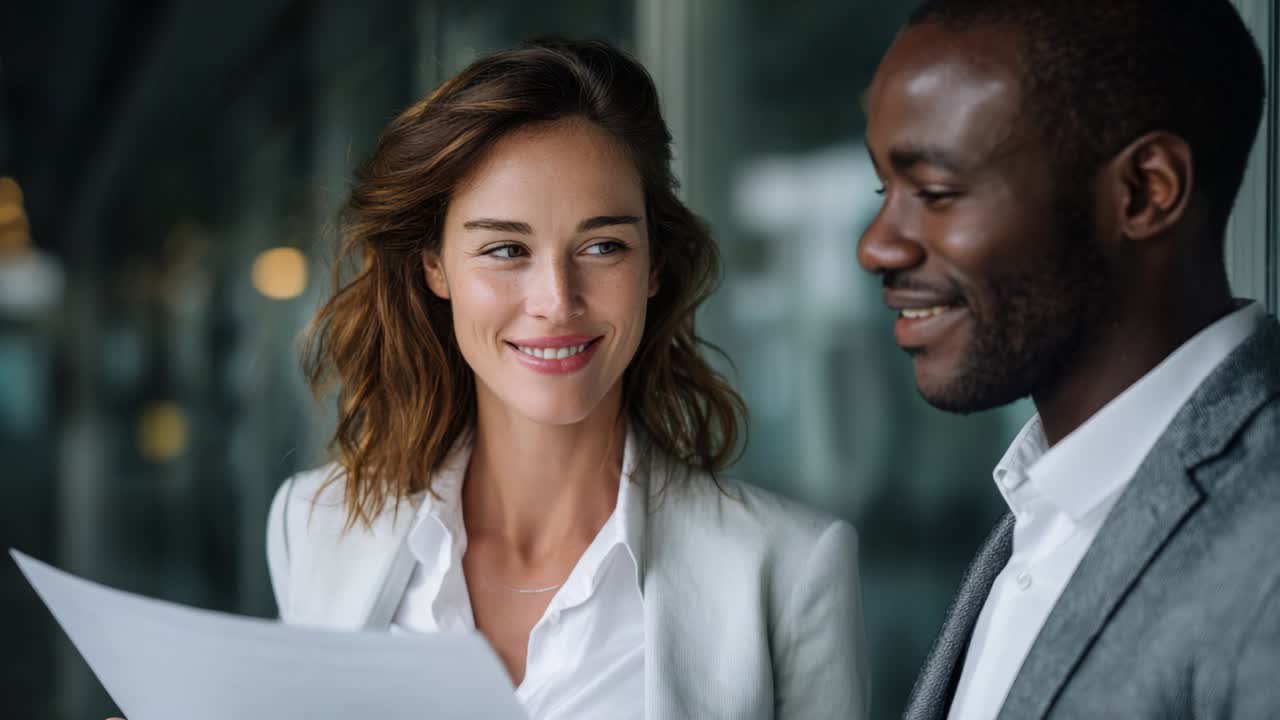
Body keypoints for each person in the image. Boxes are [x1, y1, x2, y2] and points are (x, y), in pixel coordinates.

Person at [266, 38, 868, 719]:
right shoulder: (314, 526)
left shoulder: (789, 566)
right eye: (505, 249)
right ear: (435, 266)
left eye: (602, 246)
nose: (556, 299)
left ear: (655, 266)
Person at [857, 2, 1278, 718]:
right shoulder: (1049, 509)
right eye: (884, 193)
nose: (878, 246)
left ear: (1146, 191)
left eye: (935, 193)